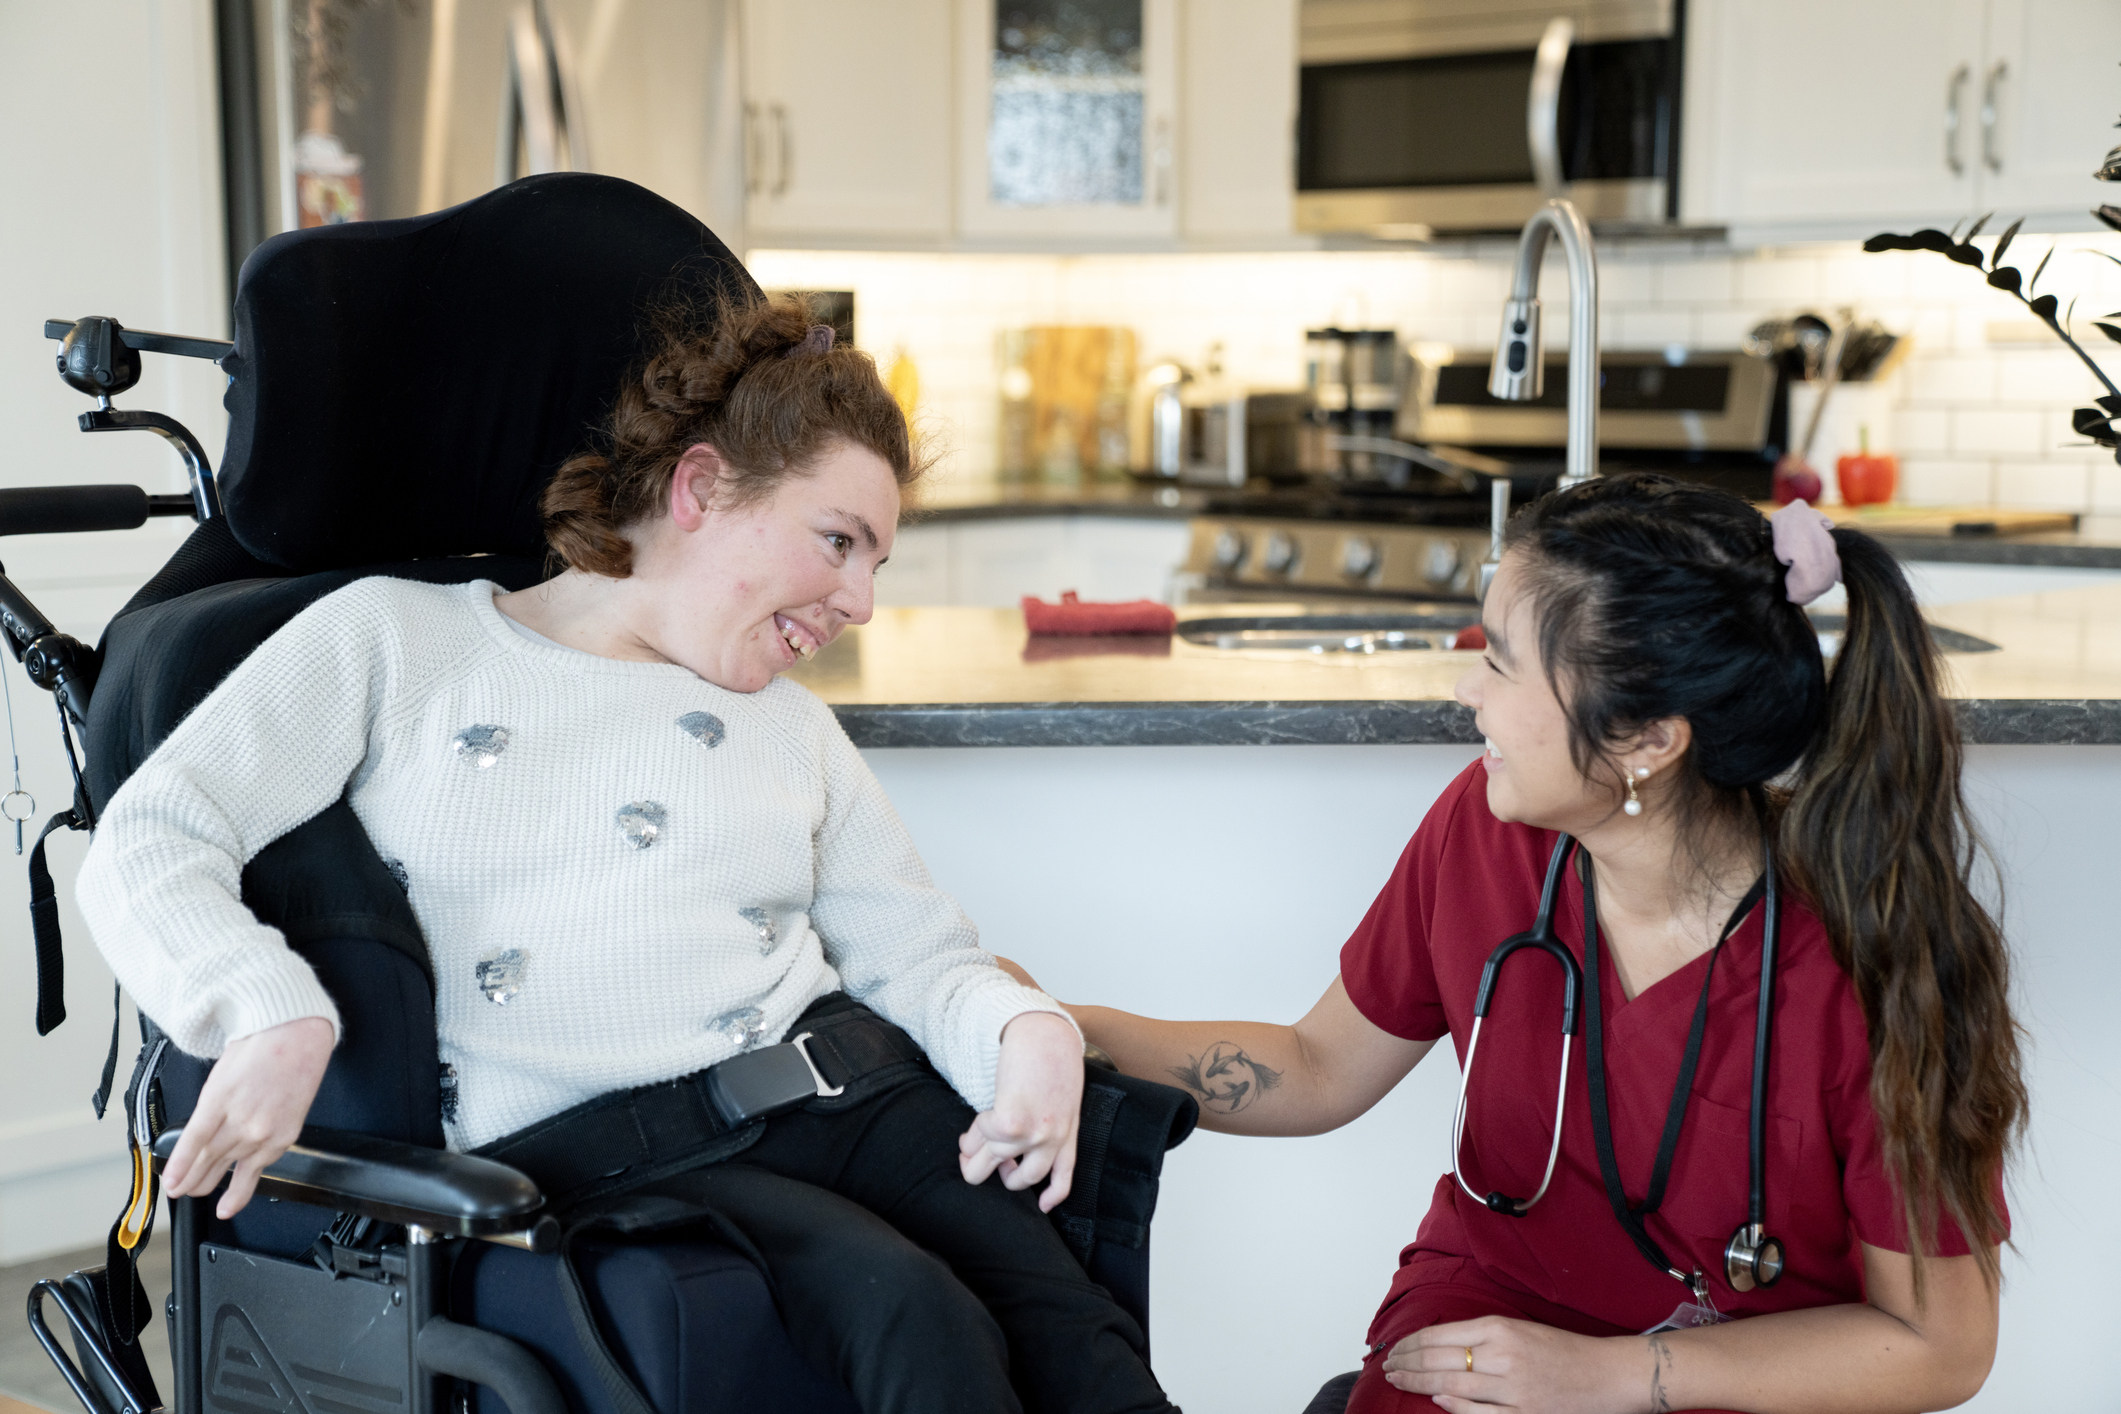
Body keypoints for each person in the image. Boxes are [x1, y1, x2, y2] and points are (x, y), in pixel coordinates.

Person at [77, 295, 1180, 1414]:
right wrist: (267, 1009)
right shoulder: (398, 643)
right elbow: (152, 835)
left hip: (853, 1096)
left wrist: (1022, 1029)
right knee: (910, 1314)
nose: (861, 601)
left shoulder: (794, 727)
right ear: (702, 488)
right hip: (625, 1154)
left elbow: (919, 957)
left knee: (1080, 1339)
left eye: (877, 562)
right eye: (839, 542)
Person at [1011, 474, 2024, 1414]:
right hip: (1489, 1324)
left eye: (1500, 660)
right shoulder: (1485, 833)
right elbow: (1317, 1067)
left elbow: (1940, 1344)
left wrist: (1617, 1375)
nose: (1469, 692)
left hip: (1736, 1376)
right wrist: (1067, 1027)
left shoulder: (1867, 959)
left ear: (1645, 740)